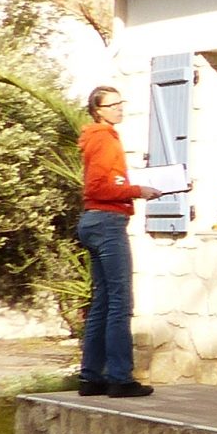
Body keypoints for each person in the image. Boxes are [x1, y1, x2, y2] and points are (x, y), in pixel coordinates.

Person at [77, 86, 159, 397]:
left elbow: (105, 183)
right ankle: (120, 378)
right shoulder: (103, 138)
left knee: (102, 301)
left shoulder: (100, 137)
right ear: (97, 111)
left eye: (120, 103)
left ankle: (91, 378)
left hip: (95, 221)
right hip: (107, 222)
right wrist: (138, 191)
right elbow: (98, 187)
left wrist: (136, 188)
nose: (119, 109)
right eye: (111, 105)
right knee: (120, 301)